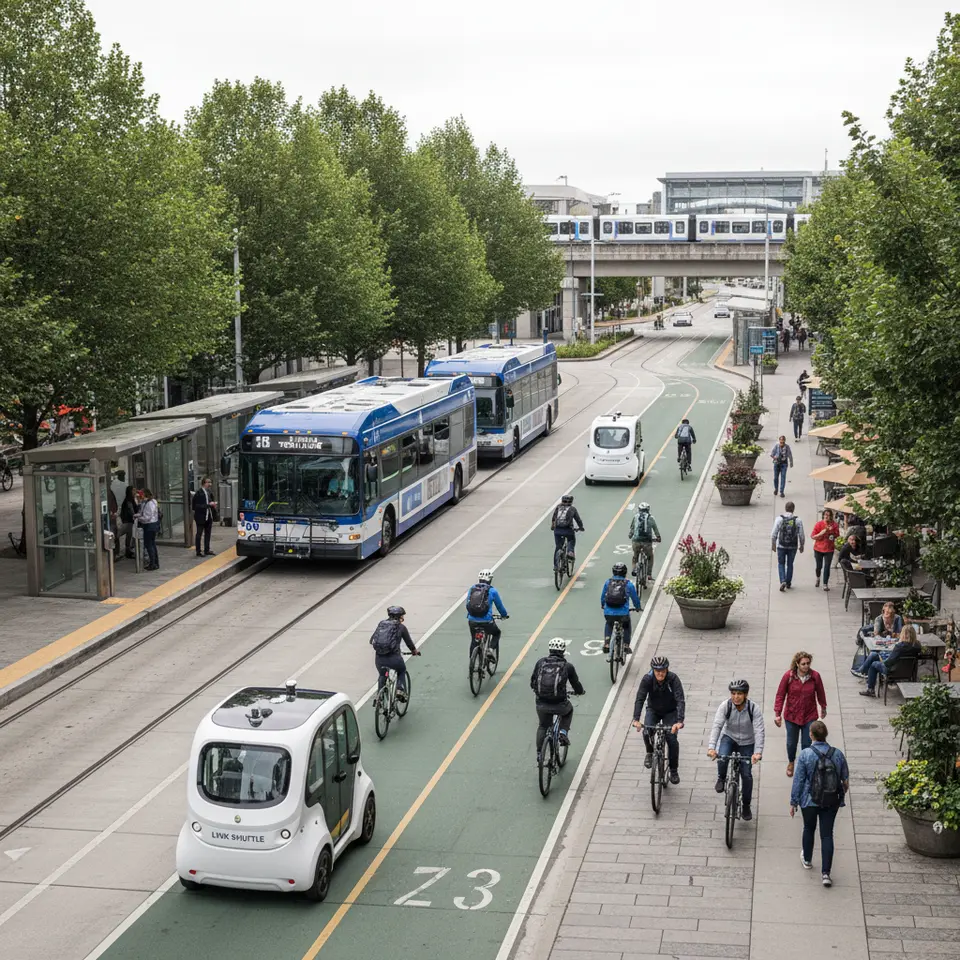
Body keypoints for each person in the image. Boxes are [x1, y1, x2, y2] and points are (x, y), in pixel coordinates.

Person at [790, 720, 849, 887]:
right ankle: (826, 874)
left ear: (811, 735)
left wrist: (794, 801)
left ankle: (807, 859)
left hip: (809, 801)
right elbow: (845, 779)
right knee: (827, 834)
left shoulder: (805, 754)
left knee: (809, 828)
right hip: (831, 801)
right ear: (826, 735)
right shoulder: (837, 754)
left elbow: (799, 780)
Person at [707, 679, 765, 821]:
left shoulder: (753, 709)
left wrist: (757, 752)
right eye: (733, 693)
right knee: (723, 757)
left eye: (739, 694)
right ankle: (721, 777)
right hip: (730, 737)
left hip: (747, 742)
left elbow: (759, 731)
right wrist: (711, 747)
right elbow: (717, 726)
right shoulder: (725, 706)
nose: (736, 697)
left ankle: (746, 806)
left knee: (746, 775)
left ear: (745, 694)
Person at [632, 655, 685, 784]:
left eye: (663, 671)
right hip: (653, 710)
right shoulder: (647, 679)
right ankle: (649, 753)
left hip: (670, 712)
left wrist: (679, 721)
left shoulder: (673, 679)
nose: (660, 674)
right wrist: (636, 719)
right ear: (653, 670)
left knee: (671, 739)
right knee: (646, 731)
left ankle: (673, 770)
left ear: (667, 670)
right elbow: (640, 698)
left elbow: (680, 700)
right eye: (657, 671)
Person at [774, 651, 827, 777]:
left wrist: (823, 707)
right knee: (791, 743)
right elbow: (780, 695)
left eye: (808, 663)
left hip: (809, 715)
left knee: (806, 743)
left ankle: (804, 765)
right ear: (797, 664)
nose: (806, 666)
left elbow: (820, 693)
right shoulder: (789, 676)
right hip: (791, 715)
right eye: (803, 664)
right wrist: (777, 713)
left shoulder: (815, 676)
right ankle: (791, 762)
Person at [531, 637, 585, 751]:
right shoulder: (568, 666)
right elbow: (576, 684)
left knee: (543, 726)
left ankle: (540, 754)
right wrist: (580, 692)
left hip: (541, 703)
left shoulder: (540, 662)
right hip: (560, 703)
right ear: (563, 651)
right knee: (569, 710)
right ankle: (563, 732)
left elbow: (533, 682)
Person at [855, 624, 921, 696]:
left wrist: (883, 660)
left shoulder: (899, 647)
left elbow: (888, 663)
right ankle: (863, 671)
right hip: (908, 671)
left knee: (874, 664)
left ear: (903, 634)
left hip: (893, 670)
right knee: (874, 654)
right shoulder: (917, 646)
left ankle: (870, 689)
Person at [370, 605, 420, 697]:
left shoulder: (381, 624)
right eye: (402, 616)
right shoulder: (401, 627)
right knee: (402, 670)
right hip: (394, 659)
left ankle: (379, 697)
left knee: (382, 674)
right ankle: (400, 690)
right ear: (399, 616)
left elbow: (372, 640)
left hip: (379, 659)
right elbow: (409, 643)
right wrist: (414, 651)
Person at [465, 568, 509, 658]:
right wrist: (504, 615)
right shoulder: (492, 591)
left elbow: (468, 604)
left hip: (472, 620)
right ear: (490, 580)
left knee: (474, 640)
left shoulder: (472, 589)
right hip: (486, 621)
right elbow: (499, 606)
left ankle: (472, 662)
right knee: (497, 633)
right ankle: (490, 649)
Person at [600, 563, 641, 655]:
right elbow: (635, 598)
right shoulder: (628, 584)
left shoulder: (608, 582)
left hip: (609, 612)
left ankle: (607, 643)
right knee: (626, 625)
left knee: (609, 623)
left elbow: (603, 597)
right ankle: (626, 645)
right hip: (623, 613)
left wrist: (603, 605)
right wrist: (637, 607)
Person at [771, 501, 805, 591]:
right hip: (793, 546)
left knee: (781, 563)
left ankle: (782, 581)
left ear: (785, 508)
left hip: (781, 546)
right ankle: (788, 582)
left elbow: (773, 533)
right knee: (790, 564)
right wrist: (802, 545)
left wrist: (773, 544)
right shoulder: (798, 520)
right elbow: (801, 534)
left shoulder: (779, 519)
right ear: (793, 509)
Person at [629, 502, 661, 581]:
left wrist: (630, 535)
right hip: (647, 542)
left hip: (636, 541)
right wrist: (658, 538)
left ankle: (634, 569)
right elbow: (655, 530)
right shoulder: (651, 518)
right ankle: (649, 575)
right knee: (650, 557)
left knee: (635, 556)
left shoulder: (635, 517)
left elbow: (632, 529)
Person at [810, 507, 840, 590]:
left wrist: (833, 534)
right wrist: (821, 533)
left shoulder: (834, 525)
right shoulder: (819, 524)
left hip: (829, 549)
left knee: (827, 566)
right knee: (819, 566)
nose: (827, 517)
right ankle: (818, 577)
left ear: (831, 516)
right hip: (818, 548)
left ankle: (825, 584)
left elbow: (837, 536)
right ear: (823, 516)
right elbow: (812, 536)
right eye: (825, 515)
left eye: (828, 515)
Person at [192, 476, 218, 558]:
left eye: (210, 482)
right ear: (203, 483)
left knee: (208, 533)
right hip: (201, 516)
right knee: (199, 534)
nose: (210, 484)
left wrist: (213, 505)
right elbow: (195, 506)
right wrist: (208, 505)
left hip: (208, 516)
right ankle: (198, 551)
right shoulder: (199, 493)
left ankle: (207, 549)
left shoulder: (209, 492)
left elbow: (210, 502)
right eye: (208, 482)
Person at [137, 488, 161, 571]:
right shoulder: (153, 501)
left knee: (149, 545)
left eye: (142, 494)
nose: (141, 496)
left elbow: (147, 517)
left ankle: (152, 564)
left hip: (149, 525)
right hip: (154, 525)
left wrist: (139, 518)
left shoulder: (149, 504)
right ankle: (155, 563)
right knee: (153, 544)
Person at [118, 486, 137, 559]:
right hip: (127, 521)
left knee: (129, 537)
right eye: (133, 490)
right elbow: (132, 511)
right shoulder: (128, 500)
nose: (135, 492)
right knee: (128, 536)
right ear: (130, 491)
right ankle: (127, 551)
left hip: (128, 521)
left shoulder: (130, 500)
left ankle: (128, 551)